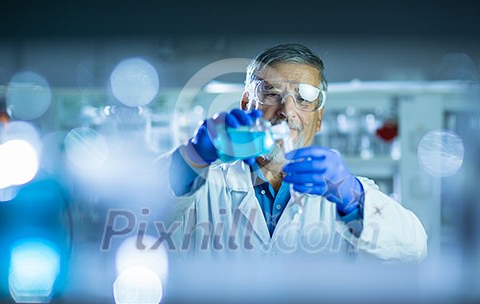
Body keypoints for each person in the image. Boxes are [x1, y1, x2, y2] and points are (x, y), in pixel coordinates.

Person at [160, 43, 427, 261]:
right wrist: (191, 158)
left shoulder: (345, 194)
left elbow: (414, 248)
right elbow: (135, 213)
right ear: (246, 105)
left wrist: (353, 196)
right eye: (272, 94)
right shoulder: (204, 188)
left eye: (304, 98)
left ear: (319, 119)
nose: (287, 112)